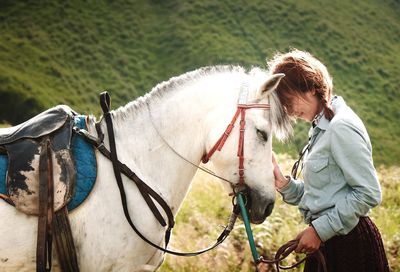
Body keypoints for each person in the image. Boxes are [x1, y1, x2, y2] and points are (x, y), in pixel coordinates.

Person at [265, 49, 390, 271]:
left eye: (287, 99)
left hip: (350, 248)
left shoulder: (341, 127)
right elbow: (326, 194)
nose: (286, 109)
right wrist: (284, 184)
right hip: (329, 243)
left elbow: (368, 192)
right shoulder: (321, 128)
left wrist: (319, 230)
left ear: (311, 87)